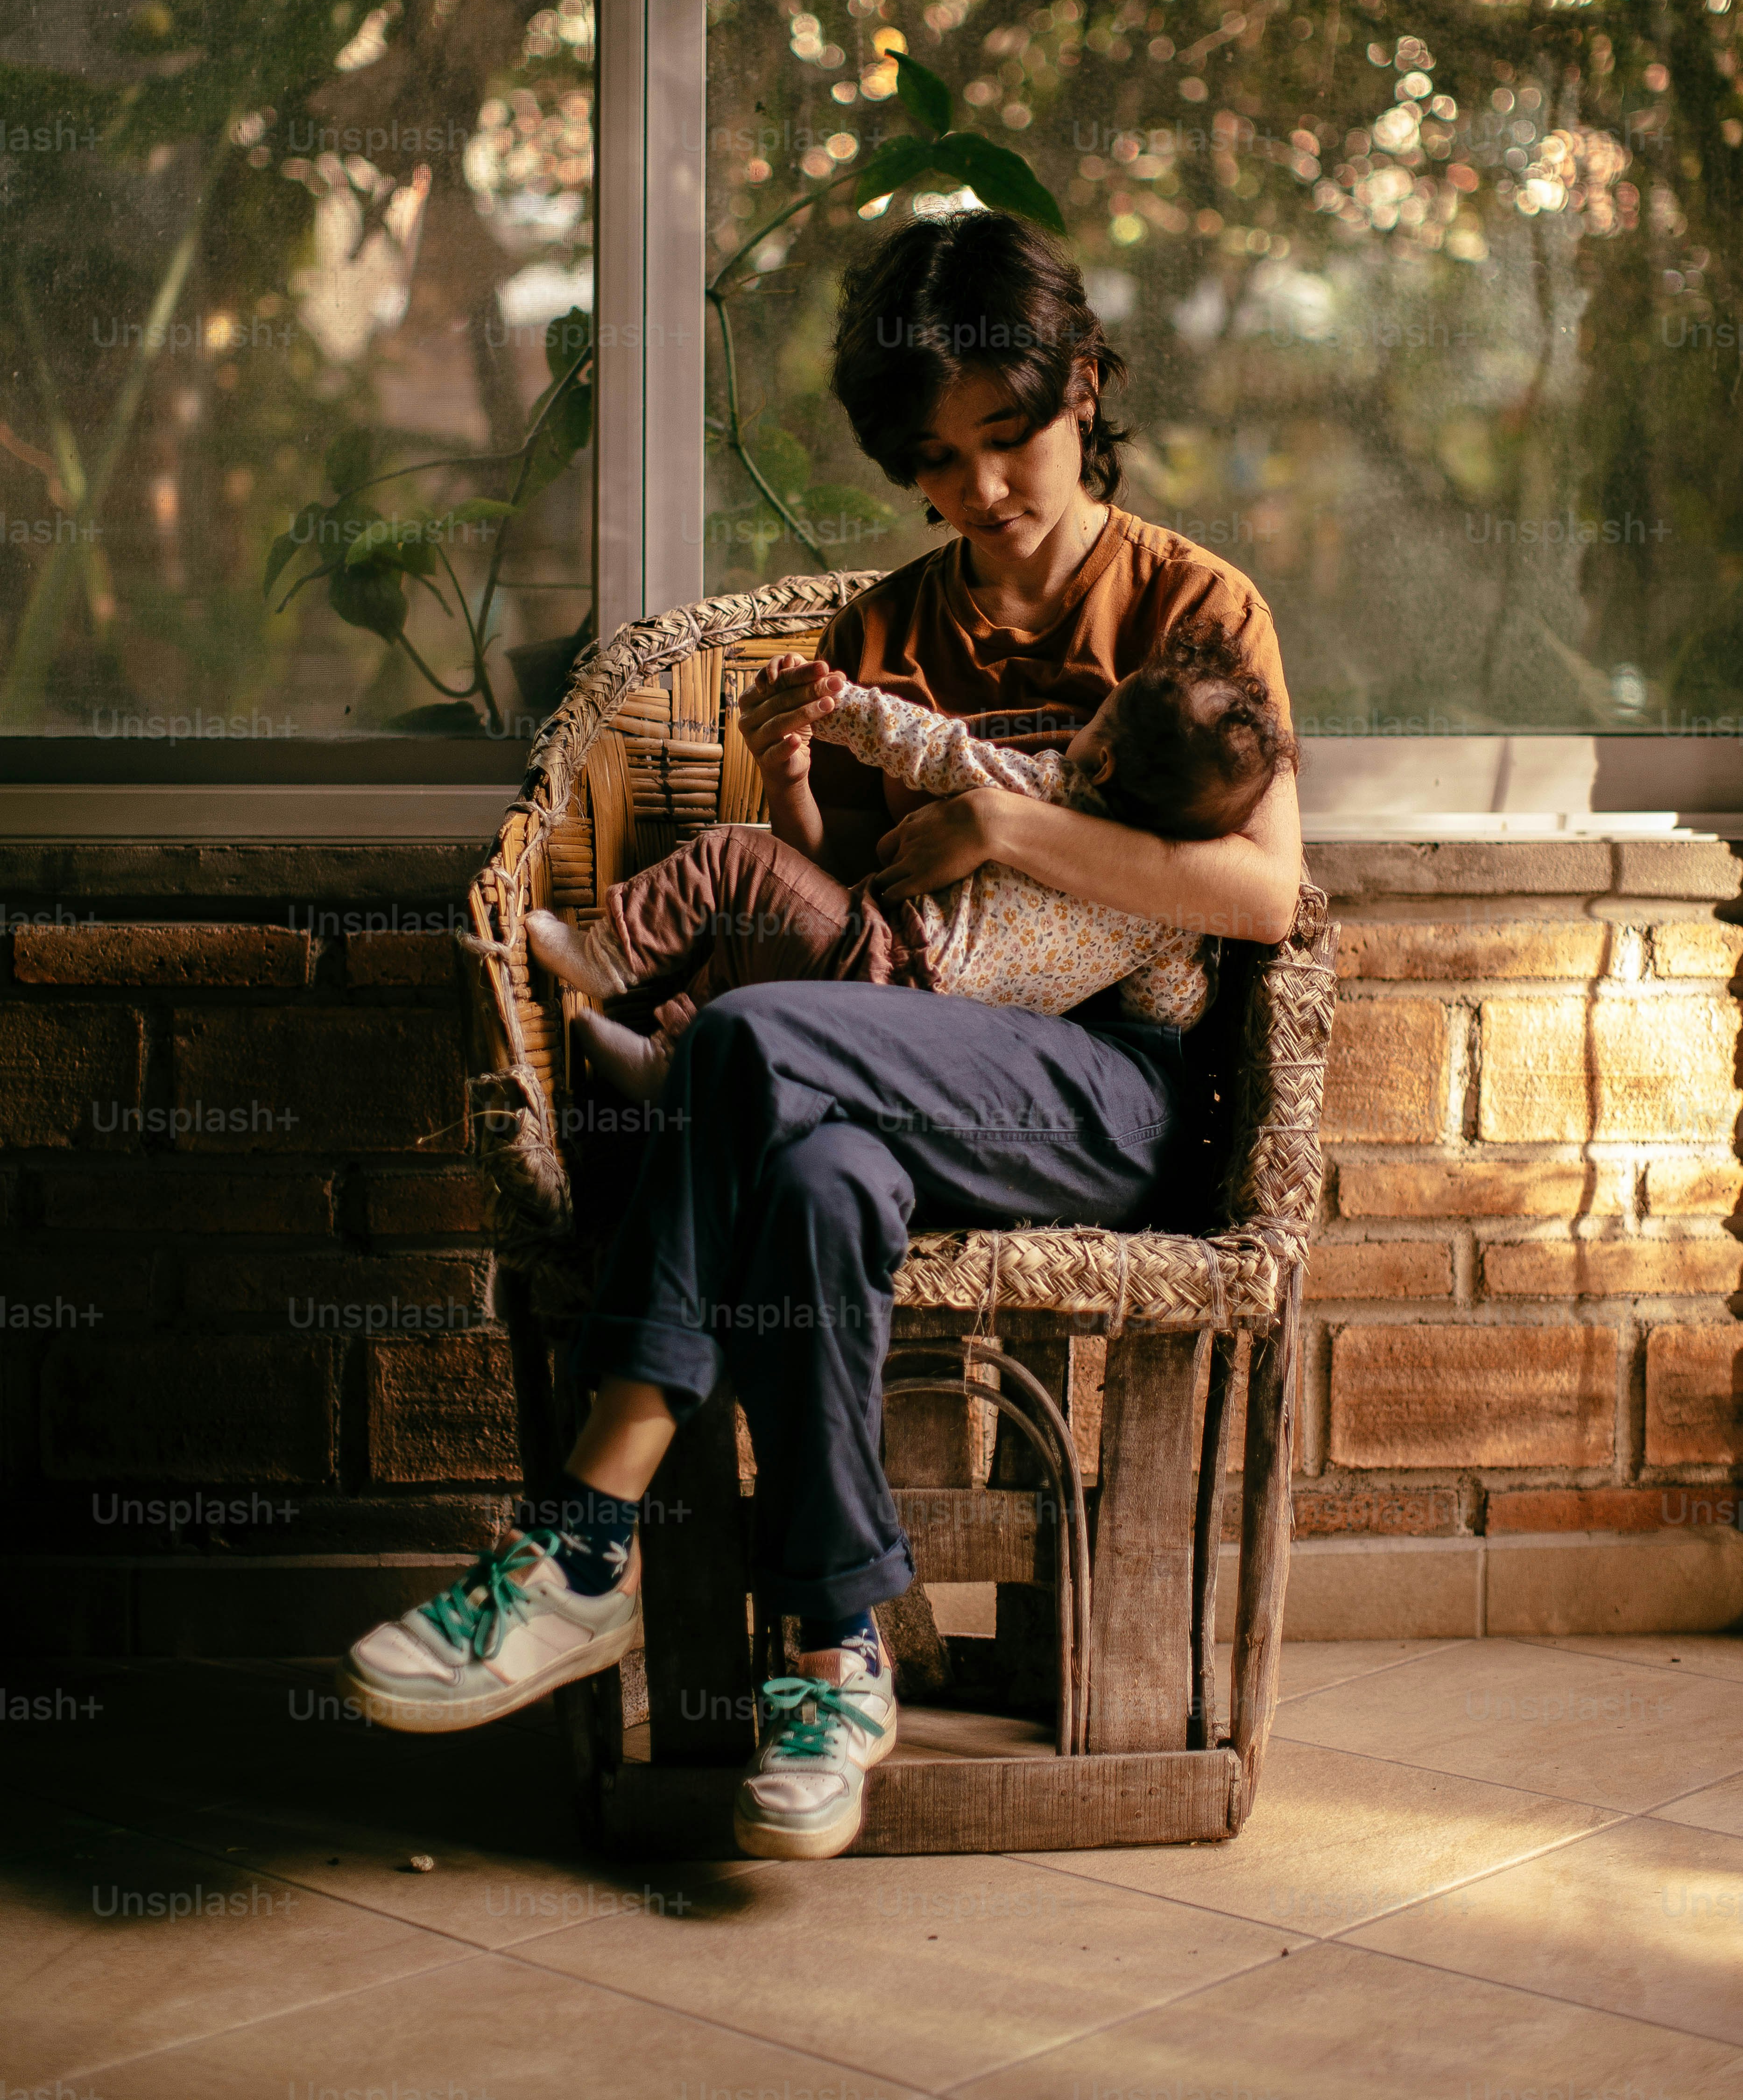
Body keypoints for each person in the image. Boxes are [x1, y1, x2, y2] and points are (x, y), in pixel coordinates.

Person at [339, 210, 1302, 1863]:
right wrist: (796, 777)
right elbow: (862, 930)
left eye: (1015, 437)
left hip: (1105, 1100)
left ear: (1083, 388)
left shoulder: (1192, 608)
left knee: (749, 1052)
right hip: (909, 1049)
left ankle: (580, 1540)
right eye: (942, 462)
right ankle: (830, 1653)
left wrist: (1004, 832)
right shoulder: (890, 631)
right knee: (814, 1173)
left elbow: (1260, 896)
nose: (986, 490)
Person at [520, 617, 1300, 1100]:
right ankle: (674, 1062)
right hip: (944, 1039)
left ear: (1100, 763)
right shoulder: (1170, 921)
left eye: (1095, 722)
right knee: (756, 946)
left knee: (732, 859)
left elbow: (934, 749)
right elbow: (1167, 1013)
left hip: (885, 955)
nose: (1076, 735)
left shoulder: (1047, 790)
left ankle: (611, 954)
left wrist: (840, 706)